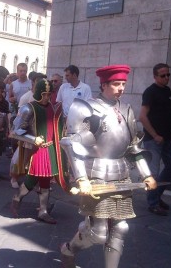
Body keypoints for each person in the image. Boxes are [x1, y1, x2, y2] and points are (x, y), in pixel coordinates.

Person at [59, 65, 157, 268]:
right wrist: (81, 178)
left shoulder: (126, 109)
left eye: (123, 84)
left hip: (121, 174)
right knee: (98, 233)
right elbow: (72, 144)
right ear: (104, 84)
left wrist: (146, 174)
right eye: (116, 84)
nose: (121, 88)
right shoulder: (85, 107)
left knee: (121, 228)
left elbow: (134, 147)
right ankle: (69, 248)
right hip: (95, 173)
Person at [10, 78, 64, 224]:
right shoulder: (28, 108)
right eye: (44, 94)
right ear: (39, 93)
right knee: (31, 180)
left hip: (50, 149)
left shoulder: (53, 108)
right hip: (37, 151)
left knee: (46, 182)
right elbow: (15, 132)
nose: (47, 97)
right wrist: (33, 139)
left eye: (49, 94)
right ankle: (17, 198)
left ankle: (43, 211)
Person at [139, 63, 171, 216]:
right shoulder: (150, 92)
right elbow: (142, 117)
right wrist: (155, 135)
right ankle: (153, 203)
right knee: (153, 173)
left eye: (168, 74)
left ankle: (157, 195)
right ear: (155, 76)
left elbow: (168, 114)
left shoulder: (168, 91)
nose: (167, 77)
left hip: (167, 138)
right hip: (153, 140)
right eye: (163, 75)